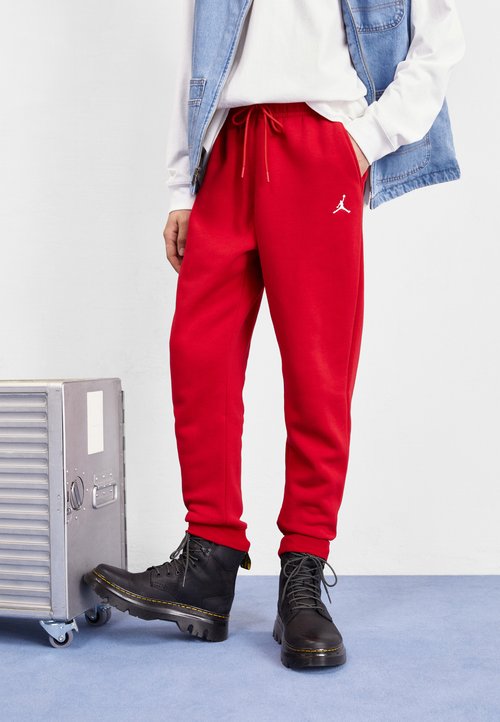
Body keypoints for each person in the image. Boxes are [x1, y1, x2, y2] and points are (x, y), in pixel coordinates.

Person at [85, 0, 466, 670]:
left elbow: (439, 38)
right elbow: (199, 53)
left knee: (319, 370)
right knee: (198, 356)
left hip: (321, 149)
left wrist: (365, 141)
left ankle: (304, 574)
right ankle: (208, 563)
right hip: (227, 147)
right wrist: (181, 185)